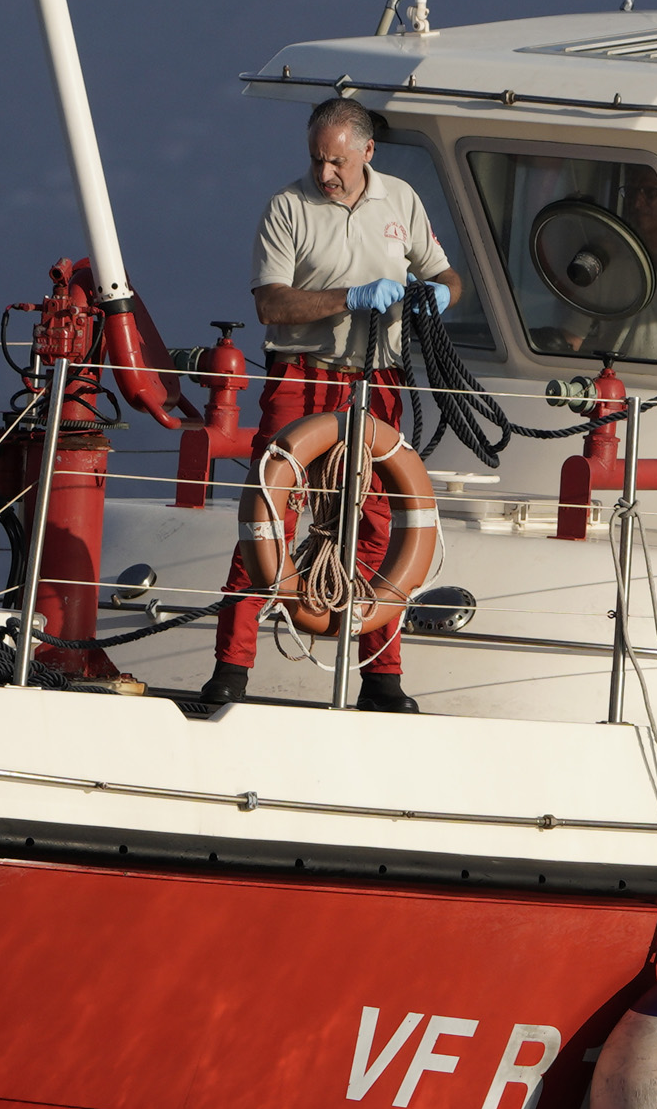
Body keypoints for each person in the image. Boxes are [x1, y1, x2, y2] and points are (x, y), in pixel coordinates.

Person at [195, 99, 466, 716]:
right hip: (300, 378)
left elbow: (447, 274)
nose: (325, 174)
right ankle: (230, 674)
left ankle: (381, 680)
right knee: (267, 522)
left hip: (380, 380)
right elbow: (272, 305)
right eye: (317, 160)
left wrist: (438, 297)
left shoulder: (401, 200)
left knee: (376, 525)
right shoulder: (287, 208)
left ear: (367, 151)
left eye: (337, 161)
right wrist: (352, 297)